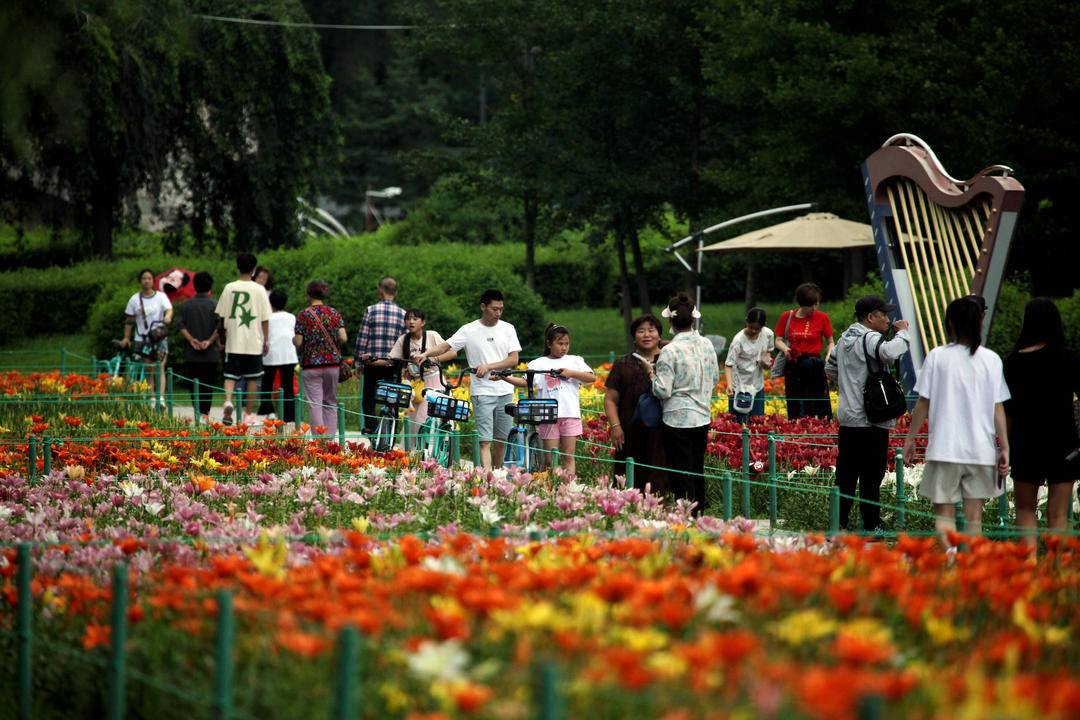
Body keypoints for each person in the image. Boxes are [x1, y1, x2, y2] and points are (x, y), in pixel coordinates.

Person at [902, 298, 1010, 547]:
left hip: (944, 449)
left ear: (949, 323)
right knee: (975, 519)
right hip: (981, 451)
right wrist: (1004, 446)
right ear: (979, 321)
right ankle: (971, 566)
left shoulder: (937, 357)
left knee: (944, 515)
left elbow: (923, 404)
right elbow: (998, 407)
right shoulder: (991, 359)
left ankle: (950, 562)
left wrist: (910, 440)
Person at [826, 296, 911, 532]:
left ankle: (839, 522)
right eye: (883, 314)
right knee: (871, 475)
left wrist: (850, 383)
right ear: (870, 317)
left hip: (848, 419)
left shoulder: (844, 338)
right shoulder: (870, 337)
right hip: (871, 418)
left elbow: (829, 367)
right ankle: (872, 524)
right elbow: (889, 352)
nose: (887, 318)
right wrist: (903, 333)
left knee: (846, 475)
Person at [413, 289, 521, 470]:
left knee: (502, 438)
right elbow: (446, 346)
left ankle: (497, 473)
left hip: (506, 390)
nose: (498, 313)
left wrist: (488, 366)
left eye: (501, 309)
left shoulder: (508, 328)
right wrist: (426, 353)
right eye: (494, 309)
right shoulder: (469, 330)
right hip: (482, 392)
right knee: (485, 439)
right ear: (483, 307)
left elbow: (513, 360)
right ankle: (488, 477)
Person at [1003, 298, 1080, 547]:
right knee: (1059, 515)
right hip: (1064, 442)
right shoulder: (1068, 357)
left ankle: (1029, 567)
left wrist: (1004, 446)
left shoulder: (1013, 362)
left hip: (1025, 442)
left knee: (1025, 509)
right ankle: (1056, 568)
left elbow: (1008, 411)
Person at [644, 293, 719, 510]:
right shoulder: (707, 344)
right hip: (702, 415)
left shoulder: (670, 350)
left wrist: (651, 375)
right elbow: (715, 378)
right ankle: (700, 512)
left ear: (670, 321)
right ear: (693, 318)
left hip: (677, 419)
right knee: (697, 468)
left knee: (680, 470)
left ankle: (686, 514)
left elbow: (663, 390)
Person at [498, 324, 595, 476]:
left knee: (569, 456)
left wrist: (571, 373)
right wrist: (505, 378)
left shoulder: (575, 361)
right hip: (548, 415)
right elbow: (526, 382)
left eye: (566, 344)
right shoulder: (538, 363)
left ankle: (569, 488)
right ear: (549, 344)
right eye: (560, 343)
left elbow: (591, 377)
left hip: (570, 414)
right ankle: (554, 487)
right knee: (550, 458)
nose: (564, 347)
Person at [604, 314, 668, 493]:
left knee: (659, 480)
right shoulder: (623, 363)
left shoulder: (669, 361)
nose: (646, 335)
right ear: (634, 337)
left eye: (651, 330)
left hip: (662, 433)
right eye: (641, 331)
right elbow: (610, 399)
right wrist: (615, 426)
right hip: (629, 432)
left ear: (659, 335)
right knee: (628, 480)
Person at [215, 253, 272, 426]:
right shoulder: (260, 289)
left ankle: (228, 400)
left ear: (237, 267)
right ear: (254, 269)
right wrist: (266, 340)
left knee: (230, 376)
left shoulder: (229, 287)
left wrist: (223, 338)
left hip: (234, 341)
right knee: (253, 379)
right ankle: (248, 414)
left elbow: (221, 317)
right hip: (253, 342)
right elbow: (265, 319)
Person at [294, 280, 348, 437]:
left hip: (311, 365)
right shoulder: (333, 313)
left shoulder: (304, 315)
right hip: (332, 365)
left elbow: (298, 342)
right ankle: (330, 440)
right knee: (330, 402)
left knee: (315, 403)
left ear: (308, 294)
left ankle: (319, 441)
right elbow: (343, 338)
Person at [774, 283, 834, 419]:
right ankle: (797, 427)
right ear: (802, 304)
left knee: (817, 402)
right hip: (795, 364)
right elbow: (778, 340)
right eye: (810, 305)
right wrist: (786, 349)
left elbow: (830, 342)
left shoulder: (822, 317)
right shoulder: (787, 316)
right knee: (796, 404)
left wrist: (829, 356)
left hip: (814, 364)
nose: (813, 308)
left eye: (816, 304)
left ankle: (821, 427)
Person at [388, 309, 446, 450]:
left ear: (423, 322)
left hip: (434, 383)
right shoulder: (404, 340)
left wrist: (433, 359)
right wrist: (372, 359)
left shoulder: (432, 336)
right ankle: (410, 455)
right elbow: (391, 359)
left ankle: (424, 453)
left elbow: (452, 352)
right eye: (408, 319)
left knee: (422, 420)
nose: (411, 322)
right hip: (415, 386)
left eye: (415, 319)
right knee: (412, 422)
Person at [355, 277, 406, 433]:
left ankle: (373, 433)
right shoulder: (403, 314)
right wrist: (404, 365)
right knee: (393, 401)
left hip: (373, 364)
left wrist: (358, 363)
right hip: (393, 365)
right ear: (395, 292)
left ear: (380, 291)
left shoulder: (371, 310)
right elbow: (405, 342)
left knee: (369, 402)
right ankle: (389, 435)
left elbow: (362, 338)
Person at [120, 268, 173, 410]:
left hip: (159, 338)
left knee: (160, 367)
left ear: (153, 281)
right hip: (142, 339)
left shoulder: (161, 297)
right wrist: (126, 338)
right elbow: (129, 320)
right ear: (140, 281)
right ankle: (151, 397)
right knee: (148, 368)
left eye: (149, 278)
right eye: (144, 278)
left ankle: (161, 398)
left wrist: (167, 316)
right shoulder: (134, 299)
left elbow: (169, 309)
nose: (147, 281)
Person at [176, 271, 220, 423]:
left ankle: (197, 412)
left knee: (193, 383)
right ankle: (205, 414)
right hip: (210, 353)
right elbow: (220, 326)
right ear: (210, 286)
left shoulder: (186, 305)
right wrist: (209, 340)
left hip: (192, 352)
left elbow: (180, 324)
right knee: (208, 384)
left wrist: (191, 339)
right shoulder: (215, 305)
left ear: (194, 286)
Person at [724, 307, 774, 423]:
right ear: (746, 322)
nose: (753, 331)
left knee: (757, 421)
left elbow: (767, 354)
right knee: (738, 422)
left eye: (757, 328)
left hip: (757, 385)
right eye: (751, 327)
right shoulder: (738, 341)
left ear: (764, 325)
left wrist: (766, 363)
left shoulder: (768, 334)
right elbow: (728, 364)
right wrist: (730, 385)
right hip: (739, 386)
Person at [258, 289, 298, 429]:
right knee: (287, 385)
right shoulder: (291, 317)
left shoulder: (267, 317)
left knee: (267, 382)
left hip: (271, 354)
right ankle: (289, 415)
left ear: (270, 302)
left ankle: (268, 410)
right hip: (288, 354)